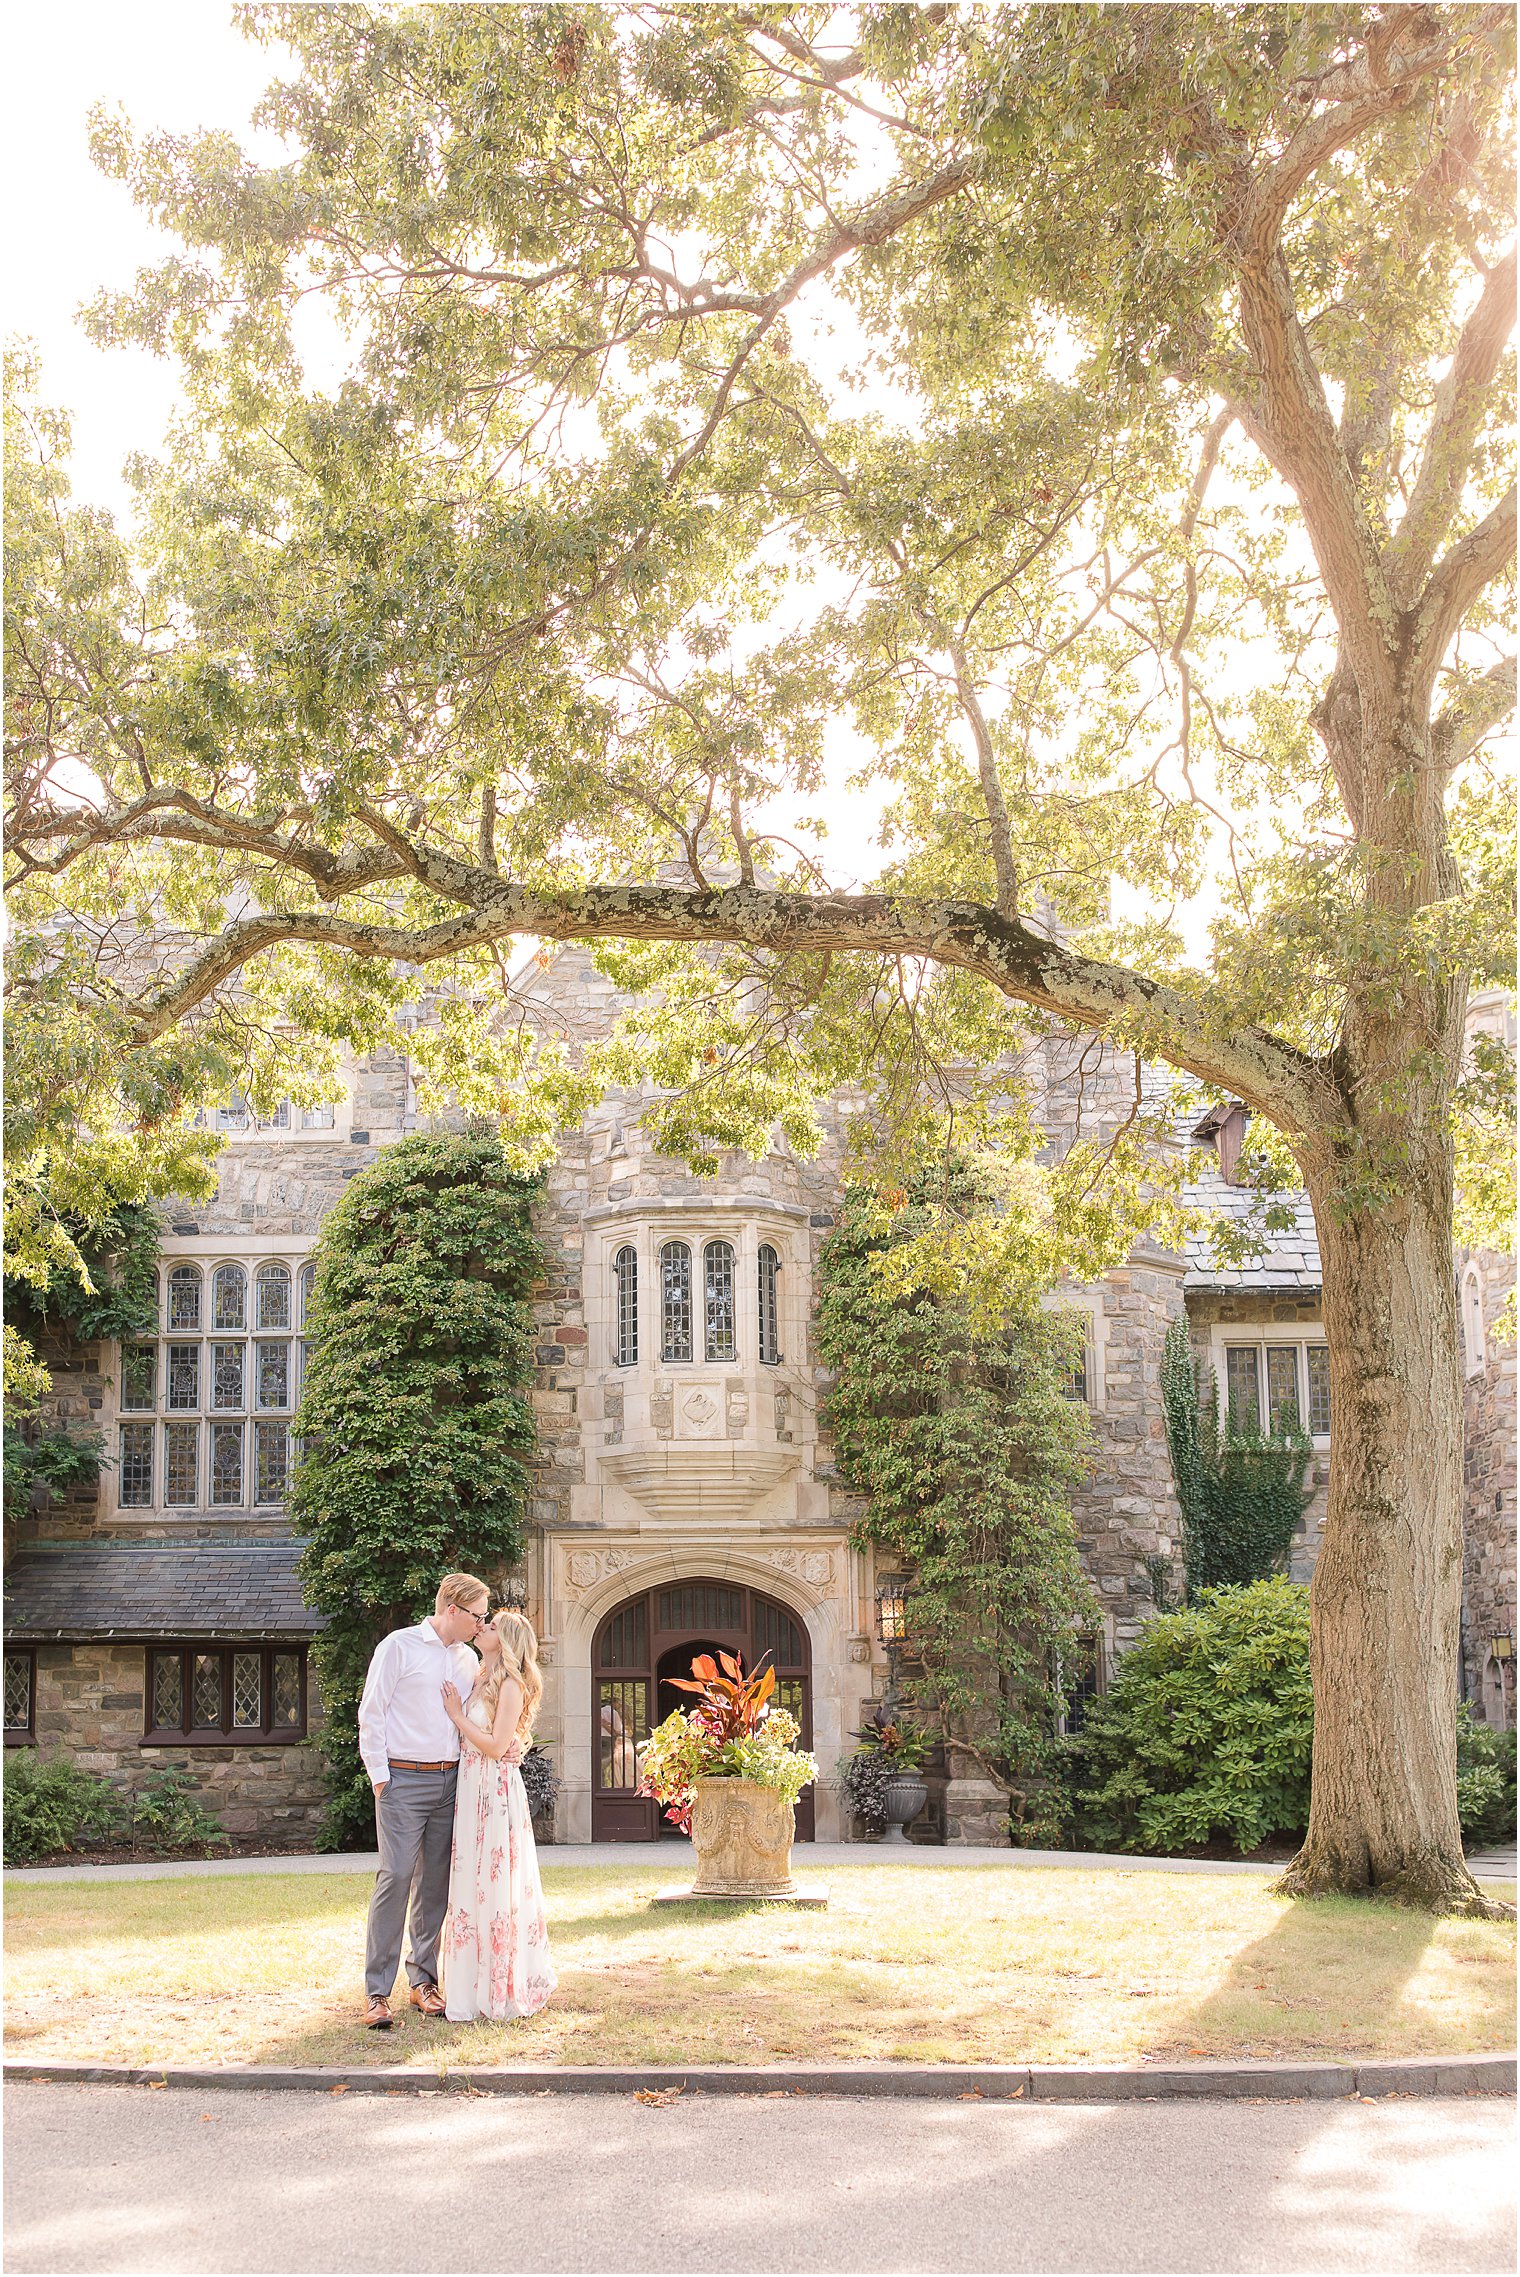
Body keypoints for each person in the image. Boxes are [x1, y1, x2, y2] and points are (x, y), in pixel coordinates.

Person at [356, 1571, 519, 2030]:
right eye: (478, 1616)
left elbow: (489, 1713)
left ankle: (423, 1981)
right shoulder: (398, 1647)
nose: (481, 1624)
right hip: (402, 1781)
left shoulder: (468, 1660)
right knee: (396, 1876)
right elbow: (372, 1714)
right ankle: (376, 1992)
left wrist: (509, 1743)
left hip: (453, 1783)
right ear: (453, 1609)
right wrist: (380, 1778)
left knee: (436, 1886)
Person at [439, 1606, 558, 2023]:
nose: (481, 1628)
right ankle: (468, 1985)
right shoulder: (477, 1676)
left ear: (505, 1641)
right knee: (472, 1880)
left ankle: (500, 1986)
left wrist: (457, 1717)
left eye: (489, 1626)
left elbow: (495, 1745)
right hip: (472, 1788)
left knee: (496, 1883)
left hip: (495, 1789)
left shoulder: (510, 1685)